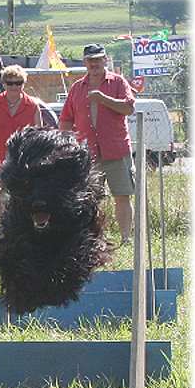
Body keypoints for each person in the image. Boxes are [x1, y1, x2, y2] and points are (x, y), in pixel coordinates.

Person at [59, 43, 135, 244]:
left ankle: (126, 238)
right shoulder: (76, 88)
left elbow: (128, 108)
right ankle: (93, 238)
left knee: (122, 195)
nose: (94, 63)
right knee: (90, 200)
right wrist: (69, 143)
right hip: (87, 154)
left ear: (105, 60)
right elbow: (66, 119)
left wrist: (103, 99)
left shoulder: (118, 82)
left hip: (116, 150)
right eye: (90, 60)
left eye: (98, 59)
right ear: (85, 62)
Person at [0, 65, 43, 172]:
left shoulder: (33, 106)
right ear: (3, 84)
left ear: (24, 84)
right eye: (10, 83)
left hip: (24, 165)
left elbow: (39, 137)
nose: (14, 86)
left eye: (18, 83)